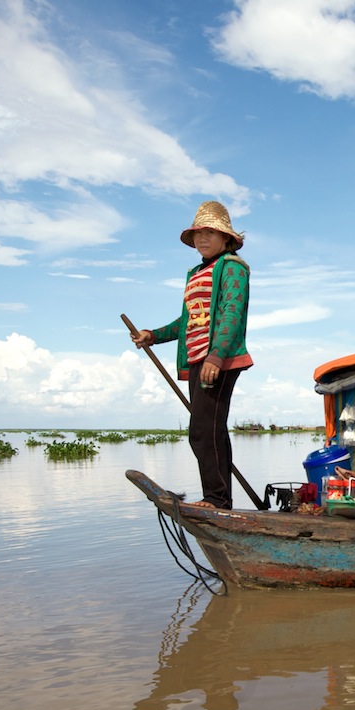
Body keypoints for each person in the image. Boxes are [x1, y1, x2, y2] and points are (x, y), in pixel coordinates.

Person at [131, 201, 253, 508]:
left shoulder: (233, 267)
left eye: (210, 233)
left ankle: (216, 500)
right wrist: (153, 336)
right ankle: (220, 497)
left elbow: (231, 313)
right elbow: (187, 322)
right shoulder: (197, 272)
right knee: (210, 430)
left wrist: (216, 356)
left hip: (218, 360)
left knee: (202, 430)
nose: (202, 239)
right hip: (198, 359)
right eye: (199, 233)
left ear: (226, 238)